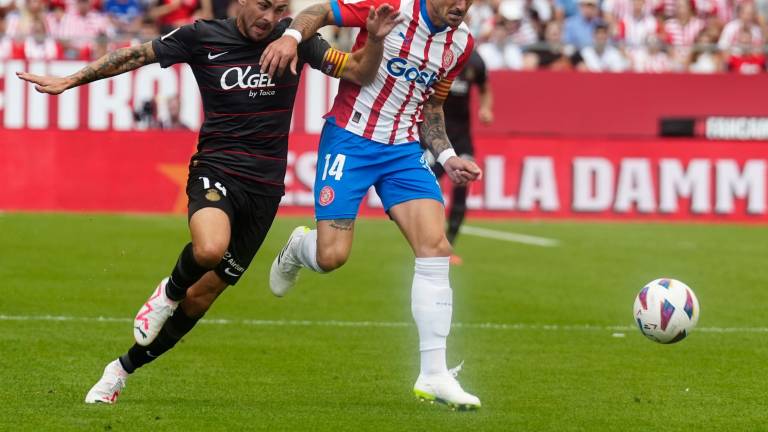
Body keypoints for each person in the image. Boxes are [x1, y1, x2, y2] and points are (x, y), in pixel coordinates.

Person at [17, 0, 401, 404]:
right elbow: (135, 55)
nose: (269, 18)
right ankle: (167, 292)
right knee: (209, 248)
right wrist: (70, 80)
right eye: (263, 7)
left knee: (201, 298)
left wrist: (374, 40)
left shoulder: (297, 40)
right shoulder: (202, 36)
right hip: (216, 168)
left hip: (265, 190)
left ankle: (121, 369)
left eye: (279, 9)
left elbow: (358, 70)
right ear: (241, 3)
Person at [260, 0, 484, 410]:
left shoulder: (462, 43)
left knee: (435, 247)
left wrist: (448, 157)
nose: (461, 6)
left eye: (469, 0)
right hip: (350, 138)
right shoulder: (390, 7)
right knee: (331, 257)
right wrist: (292, 36)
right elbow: (318, 13)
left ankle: (434, 374)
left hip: (402, 151)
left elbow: (432, 107)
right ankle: (297, 248)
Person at [429, 48, 492, 266]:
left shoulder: (475, 61)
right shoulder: (437, 52)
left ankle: (448, 247)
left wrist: (485, 109)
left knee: (462, 187)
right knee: (426, 185)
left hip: (462, 137)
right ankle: (428, 239)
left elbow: (485, 88)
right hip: (435, 134)